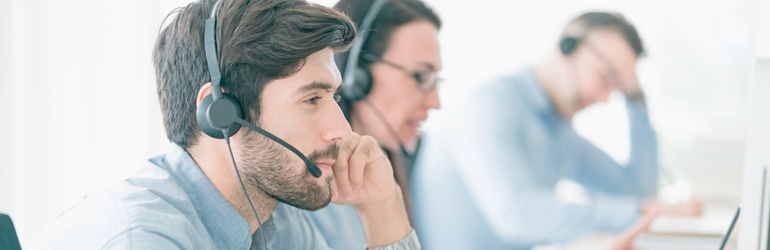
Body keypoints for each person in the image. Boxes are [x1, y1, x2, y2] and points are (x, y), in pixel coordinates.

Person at [32, 0, 420, 249]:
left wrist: (384, 211)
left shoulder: (278, 223)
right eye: (311, 99)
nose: (342, 129)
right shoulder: (142, 239)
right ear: (221, 114)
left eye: (334, 97)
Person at [412, 12, 701, 249]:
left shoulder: (560, 132)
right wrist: (637, 211)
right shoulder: (491, 105)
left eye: (617, 88)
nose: (603, 98)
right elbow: (516, 215)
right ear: (568, 47)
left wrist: (636, 99)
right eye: (605, 77)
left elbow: (638, 191)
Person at [272, 0, 442, 248]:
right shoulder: (297, 192)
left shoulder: (401, 170)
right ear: (356, 78)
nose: (435, 101)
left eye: (437, 80)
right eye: (421, 76)